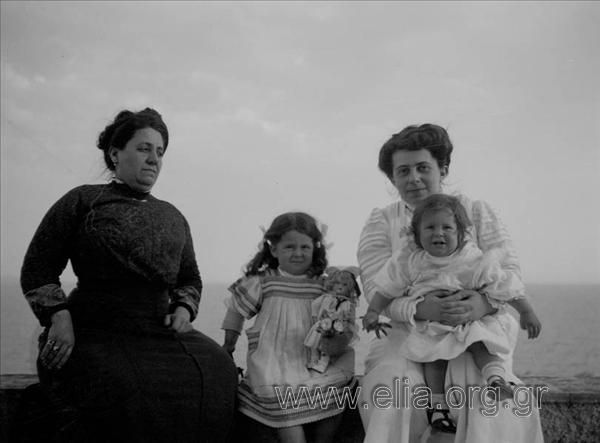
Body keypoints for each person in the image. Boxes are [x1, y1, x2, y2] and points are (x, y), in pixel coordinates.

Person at [18, 108, 238, 442]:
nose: (154, 159)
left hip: (157, 331)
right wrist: (59, 318)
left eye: (160, 151)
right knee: (122, 387)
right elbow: (38, 267)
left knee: (218, 367)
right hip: (94, 328)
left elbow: (189, 278)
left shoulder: (172, 215)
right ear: (115, 153)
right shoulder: (83, 200)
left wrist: (183, 308)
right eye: (144, 148)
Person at [357, 123, 544, 442]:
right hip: (407, 333)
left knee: (485, 397)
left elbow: (509, 272)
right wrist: (419, 309)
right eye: (403, 171)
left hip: (477, 329)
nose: (413, 178)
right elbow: (379, 289)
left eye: (422, 167)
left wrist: (481, 303)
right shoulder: (382, 221)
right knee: (398, 389)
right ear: (393, 178)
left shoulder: (477, 212)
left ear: (441, 168)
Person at [221, 212, 355, 443]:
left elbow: (343, 315)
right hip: (274, 359)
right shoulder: (264, 281)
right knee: (284, 407)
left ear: (315, 248)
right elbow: (236, 311)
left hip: (311, 358)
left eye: (305, 247)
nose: (298, 253)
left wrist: (338, 332)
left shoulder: (323, 284)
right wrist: (228, 346)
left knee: (333, 397)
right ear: (274, 250)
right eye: (290, 247)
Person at [304, 266, 360, 373]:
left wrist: (345, 323)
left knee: (327, 347)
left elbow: (349, 316)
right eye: (337, 283)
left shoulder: (348, 303)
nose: (340, 287)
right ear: (332, 284)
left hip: (335, 328)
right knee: (314, 344)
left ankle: (322, 364)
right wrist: (315, 316)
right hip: (322, 325)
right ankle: (313, 360)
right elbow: (315, 305)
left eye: (344, 285)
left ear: (349, 288)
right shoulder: (326, 297)